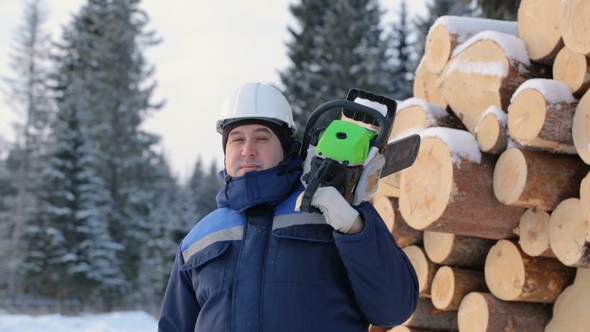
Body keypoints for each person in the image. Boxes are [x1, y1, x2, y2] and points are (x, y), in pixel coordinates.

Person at [158, 82, 418, 332]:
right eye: (236, 139)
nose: (248, 150)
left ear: (285, 147)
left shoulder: (336, 211)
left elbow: (394, 309)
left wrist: (355, 229)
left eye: (262, 138)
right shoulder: (198, 240)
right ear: (225, 151)